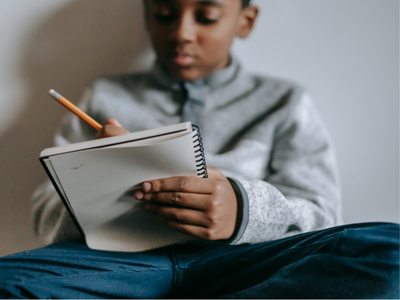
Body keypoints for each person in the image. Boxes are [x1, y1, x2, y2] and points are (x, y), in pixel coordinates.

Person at [0, 0, 398, 298]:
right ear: (146, 15)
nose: (181, 33)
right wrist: (99, 180)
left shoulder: (285, 102)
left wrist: (243, 210)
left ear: (246, 21)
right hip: (119, 266)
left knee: (389, 251)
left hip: (244, 264)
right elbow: (45, 207)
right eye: (163, 13)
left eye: (205, 16)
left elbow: (323, 216)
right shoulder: (105, 96)